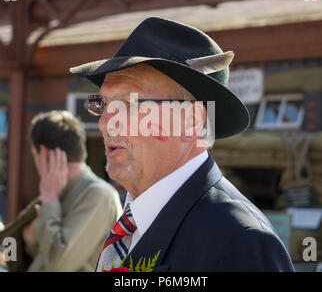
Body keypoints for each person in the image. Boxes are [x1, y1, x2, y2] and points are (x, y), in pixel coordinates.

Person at [70, 17, 295, 271]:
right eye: (103, 104)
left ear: (191, 120)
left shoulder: (241, 240)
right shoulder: (132, 224)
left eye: (129, 104)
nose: (104, 122)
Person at [22, 110, 122, 271]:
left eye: (35, 155)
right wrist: (32, 240)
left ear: (44, 153)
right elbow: (44, 259)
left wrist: (50, 202)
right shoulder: (62, 193)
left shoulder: (99, 195)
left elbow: (58, 264)